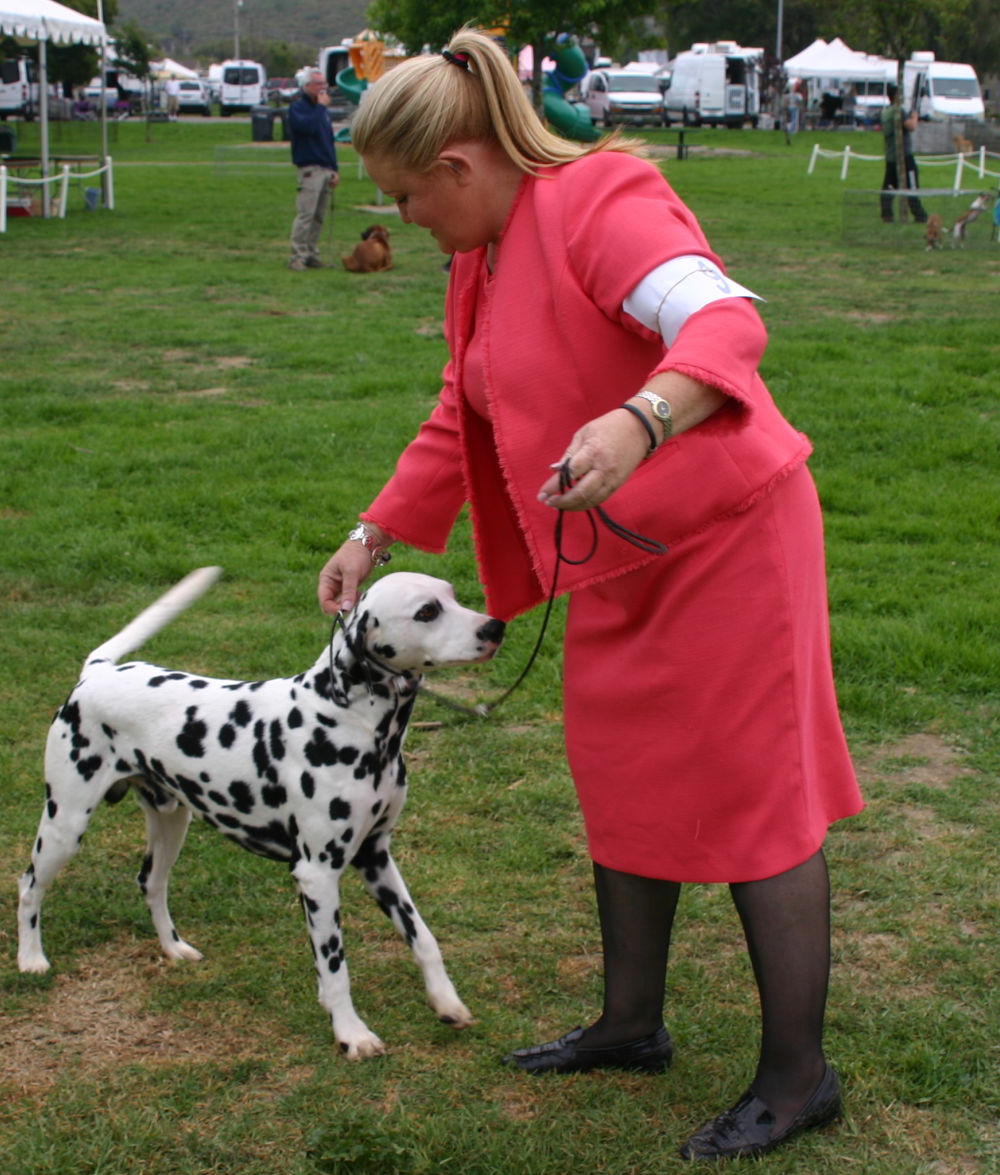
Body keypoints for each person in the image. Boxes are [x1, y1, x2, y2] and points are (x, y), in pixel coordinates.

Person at [315, 27, 864, 1164]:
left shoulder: (604, 200)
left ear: (460, 168)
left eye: (407, 197)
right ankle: (629, 1022)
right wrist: (373, 532)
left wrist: (639, 416)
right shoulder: (483, 254)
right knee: (619, 773)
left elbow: (726, 322)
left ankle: (797, 1073)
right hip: (613, 555)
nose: (405, 222)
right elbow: (458, 411)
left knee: (755, 796)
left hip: (726, 541)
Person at [285, 67, 338, 271]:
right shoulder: (299, 108)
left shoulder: (322, 112)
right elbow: (304, 127)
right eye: (318, 84)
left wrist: (334, 169)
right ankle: (297, 256)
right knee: (306, 214)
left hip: (325, 167)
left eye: (324, 84)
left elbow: (327, 141)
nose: (323, 88)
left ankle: (311, 252)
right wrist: (320, 109)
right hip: (309, 168)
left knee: (318, 215)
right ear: (307, 86)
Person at [879, 83, 927, 224]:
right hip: (903, 156)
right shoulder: (899, 111)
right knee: (912, 186)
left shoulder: (886, 112)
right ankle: (920, 215)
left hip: (891, 155)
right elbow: (911, 126)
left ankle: (886, 214)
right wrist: (914, 117)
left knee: (889, 186)